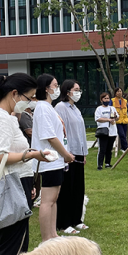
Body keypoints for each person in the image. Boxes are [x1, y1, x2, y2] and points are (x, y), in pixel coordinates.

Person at [0, 73, 51, 255]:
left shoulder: (7, 117)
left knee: (16, 247)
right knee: (12, 250)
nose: (30, 103)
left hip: (16, 183)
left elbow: (13, 152)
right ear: (14, 94)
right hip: (7, 187)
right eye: (28, 97)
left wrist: (33, 155)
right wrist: (28, 156)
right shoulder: (0, 118)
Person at [32, 74, 75, 242]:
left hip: (56, 161)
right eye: (55, 85)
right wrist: (65, 154)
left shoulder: (49, 107)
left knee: (54, 199)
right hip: (49, 160)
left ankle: (53, 234)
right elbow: (49, 136)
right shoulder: (42, 107)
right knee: (47, 200)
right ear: (46, 89)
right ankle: (46, 238)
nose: (57, 88)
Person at [55, 80, 89, 235]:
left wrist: (84, 152)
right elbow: (61, 131)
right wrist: (65, 153)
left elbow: (81, 132)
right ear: (67, 91)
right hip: (68, 153)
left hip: (79, 152)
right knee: (67, 188)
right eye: (76, 89)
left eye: (79, 89)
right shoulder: (61, 108)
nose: (78, 92)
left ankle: (77, 219)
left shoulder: (75, 108)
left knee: (78, 187)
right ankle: (64, 222)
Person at [95, 92, 118, 169]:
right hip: (103, 131)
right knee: (102, 149)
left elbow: (117, 117)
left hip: (112, 131)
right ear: (101, 100)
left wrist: (114, 117)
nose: (106, 100)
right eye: (105, 98)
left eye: (108, 98)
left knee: (109, 148)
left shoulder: (112, 108)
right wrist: (108, 119)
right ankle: (100, 164)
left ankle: (107, 163)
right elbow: (98, 119)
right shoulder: (99, 109)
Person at [112, 87, 128, 152]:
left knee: (124, 135)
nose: (119, 92)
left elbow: (126, 110)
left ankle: (123, 148)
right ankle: (126, 148)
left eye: (120, 91)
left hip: (124, 121)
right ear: (115, 93)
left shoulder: (125, 101)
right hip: (117, 121)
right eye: (118, 91)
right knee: (121, 134)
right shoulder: (112, 100)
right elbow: (111, 110)